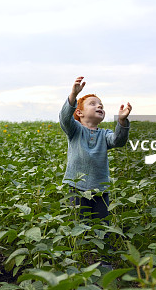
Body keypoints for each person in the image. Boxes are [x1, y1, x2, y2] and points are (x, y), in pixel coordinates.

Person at [59, 76, 131, 223]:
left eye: (101, 106)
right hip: (77, 186)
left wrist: (122, 121)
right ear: (79, 113)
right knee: (80, 224)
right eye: (93, 104)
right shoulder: (75, 130)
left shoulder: (105, 135)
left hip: (101, 189)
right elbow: (65, 118)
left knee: (103, 225)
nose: (99, 107)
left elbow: (118, 140)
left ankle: (104, 245)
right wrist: (73, 95)